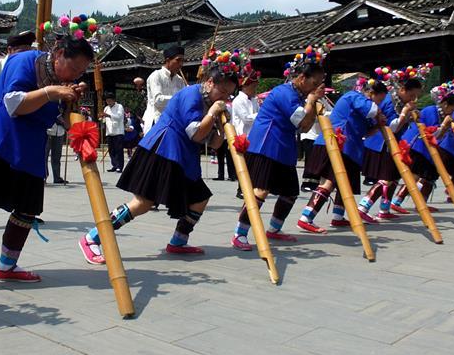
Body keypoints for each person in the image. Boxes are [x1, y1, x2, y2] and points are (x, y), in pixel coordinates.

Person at [0, 32, 93, 296]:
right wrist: (50, 92)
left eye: (80, 73)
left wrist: (67, 98)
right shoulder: (24, 61)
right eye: (73, 68)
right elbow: (14, 105)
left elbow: (53, 115)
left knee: (27, 209)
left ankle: (7, 266)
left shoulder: (61, 81)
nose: (74, 76)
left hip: (30, 148)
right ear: (59, 54)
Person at [78, 49, 243, 265]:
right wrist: (213, 114)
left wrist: (222, 126)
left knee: (200, 198)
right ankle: (92, 237)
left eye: (228, 95)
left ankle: (178, 241)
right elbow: (196, 133)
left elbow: (213, 143)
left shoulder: (207, 103)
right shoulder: (191, 95)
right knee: (143, 203)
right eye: (222, 91)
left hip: (181, 157)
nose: (224, 98)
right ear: (210, 82)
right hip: (163, 150)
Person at [232, 48, 326, 250]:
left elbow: (306, 126)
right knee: (260, 191)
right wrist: (311, 101)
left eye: (319, 83)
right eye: (314, 82)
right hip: (266, 145)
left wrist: (310, 102)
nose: (316, 87)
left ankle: (274, 228)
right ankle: (240, 233)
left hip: (284, 148)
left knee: (290, 192)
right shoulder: (284, 92)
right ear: (302, 77)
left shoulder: (301, 96)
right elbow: (301, 120)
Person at [297, 77, 387, 233]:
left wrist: (379, 125)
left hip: (349, 148)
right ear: (371, 93)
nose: (379, 104)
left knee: (345, 183)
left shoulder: (362, 106)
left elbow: (367, 131)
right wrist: (378, 113)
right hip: (336, 143)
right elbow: (373, 110)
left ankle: (338, 217)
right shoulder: (354, 96)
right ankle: (306, 217)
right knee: (329, 182)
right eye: (379, 100)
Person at [356, 66, 426, 222]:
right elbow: (391, 126)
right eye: (411, 94)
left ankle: (384, 208)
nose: (413, 99)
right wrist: (404, 113)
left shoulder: (400, 101)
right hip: (381, 143)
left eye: (416, 96)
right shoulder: (389, 100)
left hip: (393, 144)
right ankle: (363, 206)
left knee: (394, 176)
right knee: (386, 177)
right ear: (402, 89)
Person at [389, 83, 454, 211]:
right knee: (415, 175)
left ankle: (421, 203)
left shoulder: (444, 117)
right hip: (417, 146)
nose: (453, 113)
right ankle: (397, 201)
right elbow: (429, 133)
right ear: (446, 105)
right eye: (453, 110)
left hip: (429, 150)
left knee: (431, 176)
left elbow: (438, 137)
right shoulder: (431, 110)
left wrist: (445, 127)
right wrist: (443, 126)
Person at [0, 30, 35, 111]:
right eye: (21, 52)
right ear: (10, 50)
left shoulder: (30, 69)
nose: (25, 56)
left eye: (28, 53)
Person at [230, 62, 260, 198]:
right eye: (253, 86)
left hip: (252, 135)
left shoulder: (253, 100)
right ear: (246, 85)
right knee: (244, 165)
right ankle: (241, 189)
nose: (255, 89)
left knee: (252, 164)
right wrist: (261, 114)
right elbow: (247, 118)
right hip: (242, 136)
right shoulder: (238, 100)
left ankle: (249, 187)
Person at [143, 46, 186, 134]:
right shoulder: (156, 75)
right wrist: (179, 98)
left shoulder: (180, 80)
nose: (181, 64)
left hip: (173, 123)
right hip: (156, 121)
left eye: (182, 61)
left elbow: (183, 102)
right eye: (178, 60)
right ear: (167, 60)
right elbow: (158, 100)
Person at [102, 92, 126, 172]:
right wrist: (102, 118)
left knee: (118, 150)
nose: (108, 102)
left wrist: (108, 115)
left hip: (118, 131)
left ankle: (120, 166)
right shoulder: (106, 108)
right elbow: (104, 119)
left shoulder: (119, 106)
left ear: (114, 100)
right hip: (109, 132)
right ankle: (114, 165)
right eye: (107, 101)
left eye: (109, 100)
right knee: (111, 150)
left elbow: (119, 117)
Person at [46, 115, 68, 184]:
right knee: (44, 156)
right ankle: (44, 176)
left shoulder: (64, 105)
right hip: (48, 131)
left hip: (60, 132)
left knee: (57, 157)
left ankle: (57, 177)